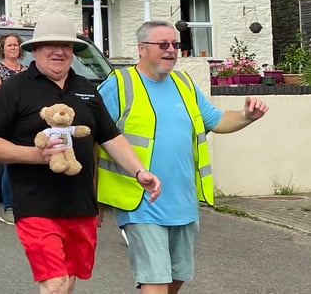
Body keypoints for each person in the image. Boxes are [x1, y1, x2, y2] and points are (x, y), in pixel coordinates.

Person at [0, 13, 161, 294]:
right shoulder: (15, 88)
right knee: (54, 283)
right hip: (35, 206)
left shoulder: (86, 89)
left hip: (80, 204)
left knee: (69, 278)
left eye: (66, 46)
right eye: (51, 45)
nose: (59, 51)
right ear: (35, 50)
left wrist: (139, 171)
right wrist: (36, 156)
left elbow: (110, 137)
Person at [96, 21, 268, 294]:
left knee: (176, 278)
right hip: (139, 202)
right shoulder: (119, 84)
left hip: (183, 202)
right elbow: (96, 137)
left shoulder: (184, 83)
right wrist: (92, 198)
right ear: (141, 49)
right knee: (155, 281)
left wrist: (247, 116)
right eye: (162, 45)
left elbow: (217, 120)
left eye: (175, 45)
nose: (171, 50)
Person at [0, 33, 27, 225]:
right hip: (6, 122)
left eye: (16, 45)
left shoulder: (25, 70)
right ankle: (9, 208)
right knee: (11, 164)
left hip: (24, 122)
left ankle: (22, 204)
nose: (13, 48)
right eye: (9, 45)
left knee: (18, 164)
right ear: (2, 48)